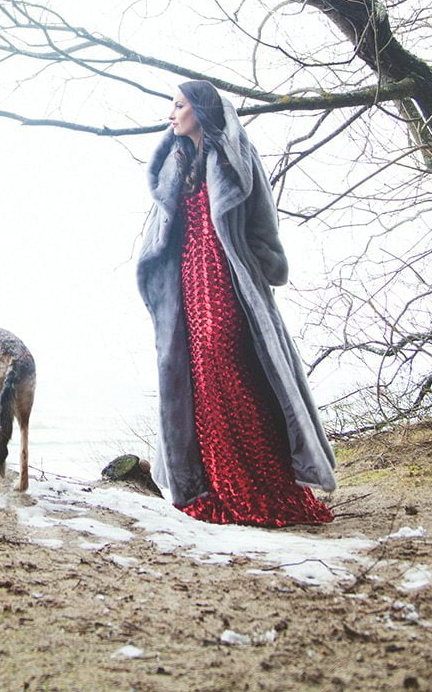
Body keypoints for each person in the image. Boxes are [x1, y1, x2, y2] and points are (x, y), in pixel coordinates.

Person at [134, 79, 335, 526]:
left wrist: (266, 265)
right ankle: (218, 487)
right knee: (200, 382)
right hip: (186, 285)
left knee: (226, 361)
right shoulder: (174, 164)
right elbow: (160, 232)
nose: (171, 115)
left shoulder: (236, 158)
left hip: (230, 280)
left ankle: (262, 487)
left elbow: (262, 221)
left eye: (179, 105)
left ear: (200, 110)